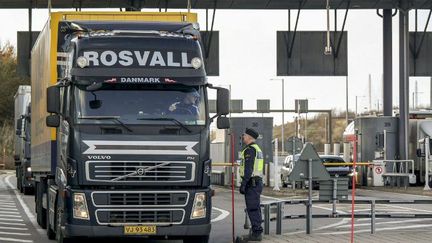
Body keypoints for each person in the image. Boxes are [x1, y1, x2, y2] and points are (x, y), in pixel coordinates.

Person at [239, 128, 264, 242]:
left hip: (252, 183)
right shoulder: (256, 148)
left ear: (249, 137)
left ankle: (256, 234)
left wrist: (243, 184)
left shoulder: (250, 150)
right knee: (255, 208)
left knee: (253, 208)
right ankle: (256, 231)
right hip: (256, 182)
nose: (242, 137)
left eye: (244, 135)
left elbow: (248, 169)